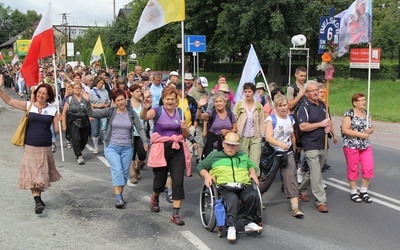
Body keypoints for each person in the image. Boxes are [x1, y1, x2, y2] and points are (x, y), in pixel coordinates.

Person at [0, 77, 61, 214]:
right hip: (30, 145)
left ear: (48, 96)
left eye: (44, 93)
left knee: (40, 174)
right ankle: (37, 201)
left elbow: (58, 130)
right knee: (33, 175)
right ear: (36, 93)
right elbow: (9, 101)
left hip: (45, 146)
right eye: (39, 92)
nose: (41, 95)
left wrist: (62, 120)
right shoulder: (29, 106)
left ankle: (38, 198)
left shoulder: (53, 110)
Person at [85, 88, 149, 208]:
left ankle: (120, 194)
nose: (121, 102)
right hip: (112, 147)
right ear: (114, 101)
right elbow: (92, 113)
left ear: (125, 99)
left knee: (124, 174)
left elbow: (140, 128)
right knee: (117, 171)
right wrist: (88, 102)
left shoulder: (130, 112)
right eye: (118, 100)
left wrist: (145, 141)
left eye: (122, 99)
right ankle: (118, 198)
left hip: (127, 147)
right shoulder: (110, 111)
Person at [197, 132, 262, 242]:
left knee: (253, 194)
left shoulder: (242, 155)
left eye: (233, 145)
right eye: (228, 145)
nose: (230, 148)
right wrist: (207, 175)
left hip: (242, 184)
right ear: (223, 144)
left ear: (238, 146)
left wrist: (252, 172)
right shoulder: (214, 156)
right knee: (232, 198)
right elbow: (200, 167)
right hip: (224, 186)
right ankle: (231, 226)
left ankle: (249, 222)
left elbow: (251, 165)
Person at [140, 86, 191, 226]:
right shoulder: (158, 110)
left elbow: (185, 135)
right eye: (167, 99)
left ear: (176, 101)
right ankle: (155, 195)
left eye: (172, 99)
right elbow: (143, 116)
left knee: (178, 180)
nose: (170, 102)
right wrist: (145, 108)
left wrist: (185, 128)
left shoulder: (181, 114)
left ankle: (176, 214)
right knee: (160, 180)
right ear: (163, 99)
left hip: (177, 149)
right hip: (160, 149)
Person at [260, 95, 304, 218]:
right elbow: (268, 137)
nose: (283, 108)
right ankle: (254, 198)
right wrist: (279, 144)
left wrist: (293, 147)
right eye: (280, 106)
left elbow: (291, 134)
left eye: (285, 105)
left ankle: (295, 208)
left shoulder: (290, 119)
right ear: (275, 107)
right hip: (273, 153)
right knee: (267, 179)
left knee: (291, 177)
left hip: (287, 153)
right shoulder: (271, 119)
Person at [296, 81, 332, 213]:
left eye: (317, 89)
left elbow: (328, 121)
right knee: (316, 173)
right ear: (306, 93)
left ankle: (301, 190)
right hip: (310, 144)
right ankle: (321, 201)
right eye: (312, 90)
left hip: (323, 143)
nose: (316, 92)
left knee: (313, 171)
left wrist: (329, 129)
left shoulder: (324, 105)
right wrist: (320, 124)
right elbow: (303, 126)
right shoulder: (304, 107)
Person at [341, 93, 374, 203]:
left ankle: (364, 191)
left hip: (365, 145)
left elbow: (371, 127)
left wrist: (370, 130)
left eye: (364, 100)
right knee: (353, 168)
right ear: (355, 103)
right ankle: (354, 191)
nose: (364, 102)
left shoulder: (367, 114)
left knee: (368, 167)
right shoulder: (349, 113)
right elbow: (345, 130)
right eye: (361, 100)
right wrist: (361, 134)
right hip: (351, 145)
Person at [234, 82, 264, 176]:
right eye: (245, 91)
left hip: (255, 136)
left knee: (255, 159)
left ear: (253, 93)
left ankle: (255, 178)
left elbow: (262, 122)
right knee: (243, 158)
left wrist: (262, 136)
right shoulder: (239, 105)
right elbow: (234, 119)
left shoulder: (259, 106)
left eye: (249, 91)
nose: (247, 93)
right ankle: (243, 176)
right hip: (242, 135)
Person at [197, 92, 237, 160]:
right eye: (216, 102)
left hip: (227, 148)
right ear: (214, 103)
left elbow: (235, 129)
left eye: (220, 101)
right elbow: (200, 117)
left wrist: (228, 131)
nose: (218, 103)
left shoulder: (230, 114)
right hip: (212, 148)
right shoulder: (211, 113)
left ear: (225, 102)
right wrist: (199, 107)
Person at [62, 81, 91, 165]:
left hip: (84, 121)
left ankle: (78, 149)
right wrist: (64, 123)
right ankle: (79, 156)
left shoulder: (85, 98)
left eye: (79, 88)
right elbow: (64, 112)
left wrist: (88, 101)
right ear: (73, 89)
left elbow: (89, 109)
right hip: (73, 121)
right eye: (76, 88)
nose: (77, 89)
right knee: (75, 138)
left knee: (84, 139)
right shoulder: (69, 99)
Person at [128, 84, 148, 184]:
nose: (139, 93)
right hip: (129, 133)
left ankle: (137, 167)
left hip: (141, 132)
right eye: (136, 91)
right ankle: (133, 175)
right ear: (131, 93)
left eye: (139, 91)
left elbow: (146, 115)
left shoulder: (142, 103)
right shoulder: (127, 104)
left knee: (142, 155)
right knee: (131, 155)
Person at [188, 76, 210, 163]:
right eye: (202, 86)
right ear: (197, 84)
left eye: (205, 86)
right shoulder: (192, 92)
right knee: (199, 138)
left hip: (205, 118)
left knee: (205, 139)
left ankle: (201, 156)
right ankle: (200, 158)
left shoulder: (206, 92)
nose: (203, 88)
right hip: (196, 119)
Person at [89, 77, 111, 154]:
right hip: (95, 112)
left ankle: (105, 147)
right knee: (95, 131)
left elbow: (108, 101)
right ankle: (96, 147)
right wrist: (98, 106)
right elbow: (89, 103)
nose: (101, 85)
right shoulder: (91, 92)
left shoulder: (105, 92)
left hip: (104, 112)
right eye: (100, 83)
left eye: (102, 83)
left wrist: (106, 105)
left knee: (104, 129)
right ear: (96, 83)